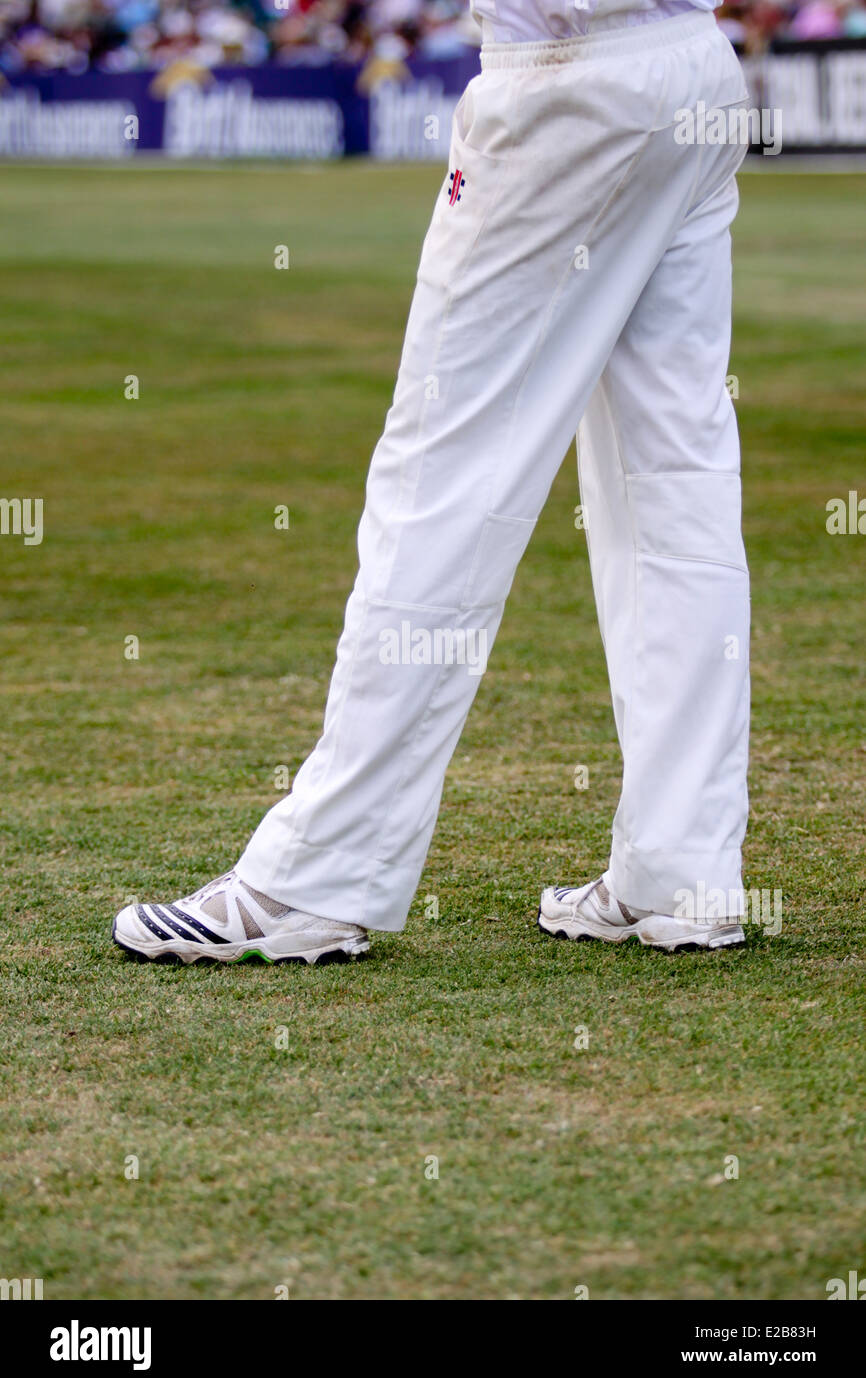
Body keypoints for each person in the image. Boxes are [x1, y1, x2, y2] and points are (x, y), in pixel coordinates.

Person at [113, 0, 752, 966]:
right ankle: (683, 873)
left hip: (567, 80)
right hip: (689, 67)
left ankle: (318, 877)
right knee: (674, 477)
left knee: (442, 468)